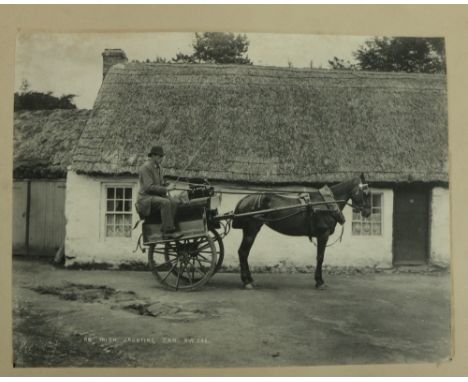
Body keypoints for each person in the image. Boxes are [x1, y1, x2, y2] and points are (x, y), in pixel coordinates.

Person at [136, 145, 181, 239]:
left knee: (174, 202)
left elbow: (159, 184)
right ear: (153, 156)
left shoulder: (159, 168)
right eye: (160, 156)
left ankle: (170, 226)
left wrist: (166, 185)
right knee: (165, 202)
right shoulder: (145, 168)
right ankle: (167, 231)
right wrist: (167, 189)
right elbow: (149, 187)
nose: (161, 159)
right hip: (146, 199)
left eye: (162, 156)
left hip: (155, 196)